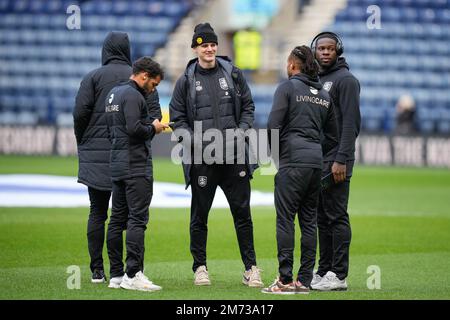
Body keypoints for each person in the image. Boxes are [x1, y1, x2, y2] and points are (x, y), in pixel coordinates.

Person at [169, 22, 263, 287]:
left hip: (234, 157)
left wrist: (243, 131)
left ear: (216, 46)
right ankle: (200, 267)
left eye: (212, 44)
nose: (209, 49)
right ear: (195, 48)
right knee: (199, 216)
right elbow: (178, 119)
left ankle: (251, 268)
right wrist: (195, 144)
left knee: (243, 215)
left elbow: (248, 106)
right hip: (203, 160)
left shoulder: (233, 74)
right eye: (203, 45)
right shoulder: (186, 80)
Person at [262, 46, 338, 294]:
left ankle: (284, 280)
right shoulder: (324, 96)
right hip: (315, 163)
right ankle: (304, 281)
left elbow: (273, 125)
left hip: (292, 161)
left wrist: (274, 158)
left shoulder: (287, 88)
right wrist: (314, 151)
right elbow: (333, 136)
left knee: (285, 219)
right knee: (308, 222)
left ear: (293, 65)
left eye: (287, 64)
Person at [73, 31, 133, 283]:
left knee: (97, 212)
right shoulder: (137, 76)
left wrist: (83, 142)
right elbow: (148, 116)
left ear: (106, 50)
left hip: (95, 155)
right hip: (128, 157)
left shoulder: (93, 77)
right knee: (127, 217)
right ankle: (127, 271)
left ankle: (97, 270)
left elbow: (79, 113)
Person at [105, 57, 168, 291]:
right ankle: (133, 274)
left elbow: (113, 128)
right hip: (136, 166)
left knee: (117, 220)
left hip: (118, 164)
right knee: (137, 220)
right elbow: (135, 129)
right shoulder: (133, 95)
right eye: (154, 84)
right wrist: (154, 127)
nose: (153, 90)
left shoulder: (113, 94)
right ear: (144, 76)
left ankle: (116, 275)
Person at [309, 32, 361, 291]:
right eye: (321, 49)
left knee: (337, 215)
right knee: (321, 217)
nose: (326, 52)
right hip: (319, 157)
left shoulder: (346, 80)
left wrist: (342, 159)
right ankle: (323, 270)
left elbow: (351, 123)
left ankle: (339, 274)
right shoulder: (316, 80)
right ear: (314, 51)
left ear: (338, 50)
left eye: (330, 48)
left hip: (338, 159)